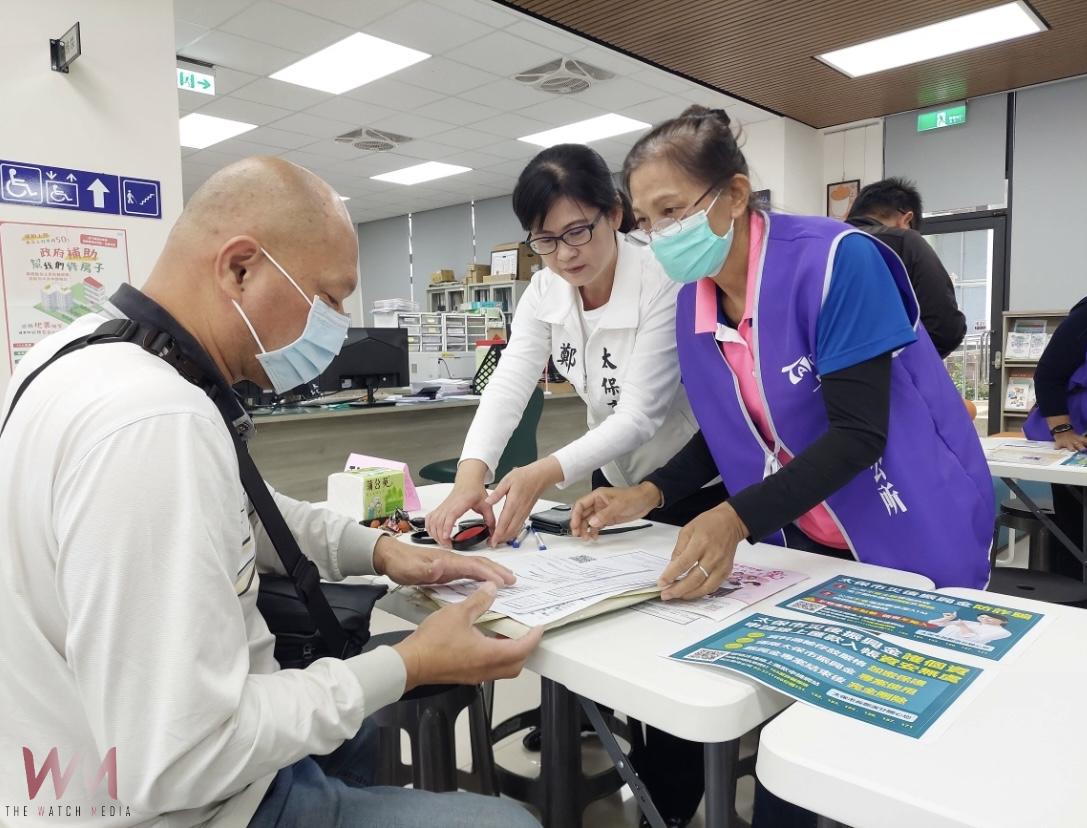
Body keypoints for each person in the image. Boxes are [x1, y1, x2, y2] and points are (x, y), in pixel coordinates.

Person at [0, 157, 541, 828]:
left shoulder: (76, 353)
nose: (337, 327)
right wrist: (409, 663)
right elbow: (182, 758)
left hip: (77, 761)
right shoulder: (154, 421)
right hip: (185, 805)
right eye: (329, 298)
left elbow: (238, 510)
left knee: (356, 734)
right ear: (240, 269)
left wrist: (380, 551)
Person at [571, 106, 994, 827]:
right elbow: (728, 428)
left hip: (908, 529)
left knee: (893, 765)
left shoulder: (836, 263)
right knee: (793, 763)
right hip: (808, 550)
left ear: (735, 195)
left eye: (671, 211)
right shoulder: (696, 302)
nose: (659, 235)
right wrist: (648, 491)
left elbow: (858, 435)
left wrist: (733, 517)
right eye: (644, 221)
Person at [426, 143, 715, 549]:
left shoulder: (663, 280)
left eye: (577, 231)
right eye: (546, 239)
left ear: (614, 213)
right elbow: (508, 385)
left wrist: (544, 471)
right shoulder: (544, 289)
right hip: (610, 478)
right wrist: (470, 476)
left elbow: (639, 415)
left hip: (683, 482)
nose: (564, 254)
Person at [846, 177, 966, 358]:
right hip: (883, 371)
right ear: (906, 219)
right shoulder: (904, 241)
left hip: (809, 371)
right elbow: (945, 328)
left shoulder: (819, 244)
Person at [1023, 296, 1087, 578]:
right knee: (1075, 529)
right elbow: (1048, 374)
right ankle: (1074, 594)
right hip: (1077, 440)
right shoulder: (1084, 317)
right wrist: (1062, 430)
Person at [929, 611, 1012, 645]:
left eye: (990, 617)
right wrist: (947, 618)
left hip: (955, 649)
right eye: (982, 617)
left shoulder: (1003, 632)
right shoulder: (971, 623)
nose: (985, 619)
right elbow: (932, 624)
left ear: (1003, 621)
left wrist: (962, 626)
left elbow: (974, 640)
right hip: (935, 642)